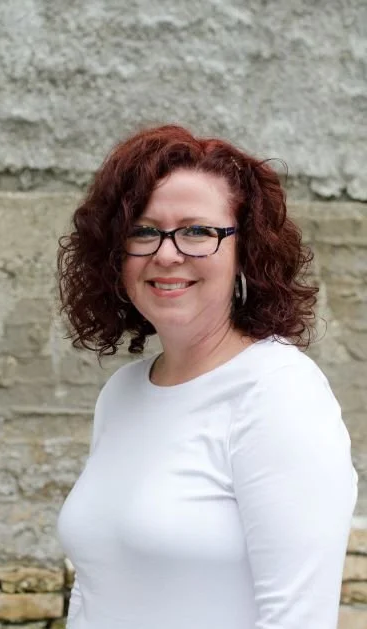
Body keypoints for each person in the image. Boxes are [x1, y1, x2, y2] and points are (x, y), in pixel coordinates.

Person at [56, 124, 358, 629]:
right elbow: (95, 588)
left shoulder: (279, 394)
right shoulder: (122, 393)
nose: (166, 253)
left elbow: (297, 619)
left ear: (246, 251)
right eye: (143, 230)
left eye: (197, 231)